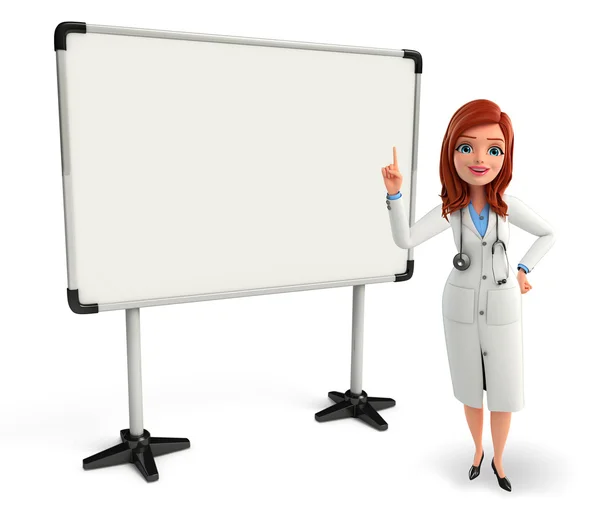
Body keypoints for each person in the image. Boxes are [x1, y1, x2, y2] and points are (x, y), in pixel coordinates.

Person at [381, 99, 556, 492]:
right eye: (466, 147)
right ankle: (477, 451)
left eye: (493, 149)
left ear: (505, 157)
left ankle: (499, 459)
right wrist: (394, 196)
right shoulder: (450, 209)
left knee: (504, 389)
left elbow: (549, 233)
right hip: (458, 304)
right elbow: (404, 239)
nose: (480, 159)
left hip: (502, 304)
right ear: (451, 153)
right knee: (469, 385)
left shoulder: (508, 206)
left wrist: (524, 269)